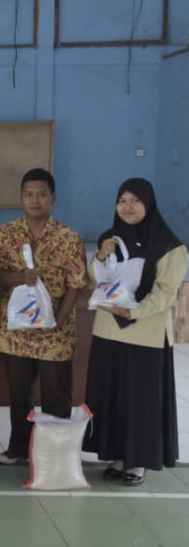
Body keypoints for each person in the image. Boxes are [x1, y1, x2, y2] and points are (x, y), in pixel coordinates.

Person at [83, 178, 186, 486]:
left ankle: (138, 461)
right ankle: (116, 453)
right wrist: (100, 256)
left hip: (145, 336)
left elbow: (165, 294)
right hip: (108, 332)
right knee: (112, 398)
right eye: (122, 200)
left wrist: (132, 311)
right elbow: (95, 281)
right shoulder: (110, 238)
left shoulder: (170, 246)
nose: (127, 207)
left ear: (149, 203)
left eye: (135, 200)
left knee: (141, 401)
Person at [0, 168, 87, 464]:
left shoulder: (69, 237)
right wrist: (19, 276)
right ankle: (19, 447)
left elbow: (77, 284)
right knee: (19, 394)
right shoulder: (6, 234)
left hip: (55, 333)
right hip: (16, 332)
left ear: (53, 198)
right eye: (29, 194)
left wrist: (58, 318)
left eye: (42, 194)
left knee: (57, 395)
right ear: (21, 198)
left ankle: (56, 453)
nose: (35, 200)